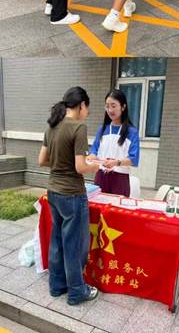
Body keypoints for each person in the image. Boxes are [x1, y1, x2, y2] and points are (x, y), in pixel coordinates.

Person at [38, 87, 101, 305]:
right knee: (74, 245)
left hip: (53, 192)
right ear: (81, 105)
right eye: (87, 108)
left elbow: (42, 160)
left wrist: (61, 164)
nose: (87, 113)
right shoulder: (78, 127)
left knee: (57, 240)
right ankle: (76, 292)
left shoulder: (52, 126)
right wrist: (95, 166)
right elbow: (80, 167)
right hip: (72, 194)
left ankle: (56, 286)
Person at [89, 89, 139, 196]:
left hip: (120, 179)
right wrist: (91, 156)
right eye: (107, 106)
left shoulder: (132, 132)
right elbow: (94, 150)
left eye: (113, 106)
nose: (110, 110)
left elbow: (133, 159)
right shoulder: (102, 129)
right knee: (98, 205)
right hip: (101, 177)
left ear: (123, 107)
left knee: (117, 205)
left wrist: (116, 163)